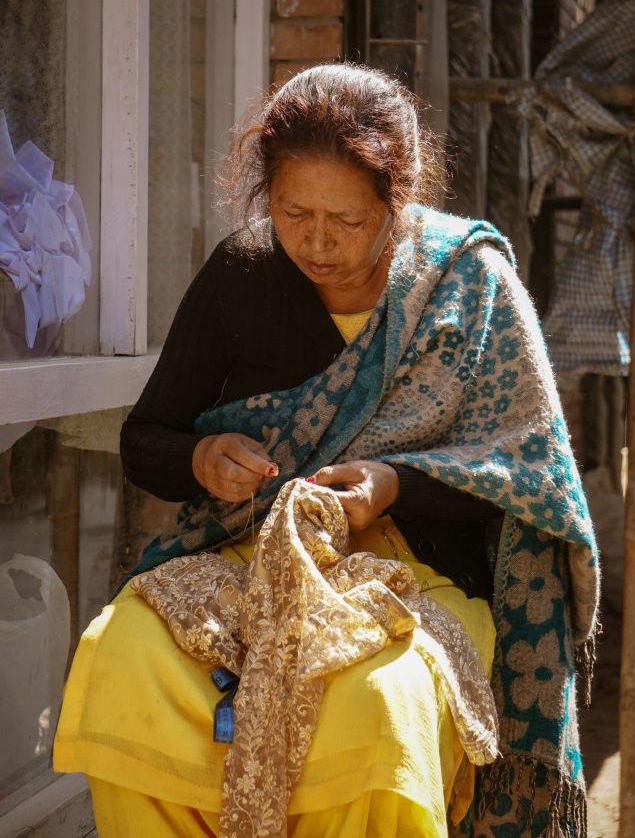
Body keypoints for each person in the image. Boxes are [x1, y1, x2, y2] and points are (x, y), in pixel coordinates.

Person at [54, 63, 599, 838]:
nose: (314, 241)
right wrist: (200, 458)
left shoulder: (465, 285)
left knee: (377, 705)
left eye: (344, 219)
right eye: (290, 210)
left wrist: (393, 483)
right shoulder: (243, 273)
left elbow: (531, 478)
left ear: (396, 201)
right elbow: (147, 440)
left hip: (419, 577)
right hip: (246, 561)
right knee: (122, 654)